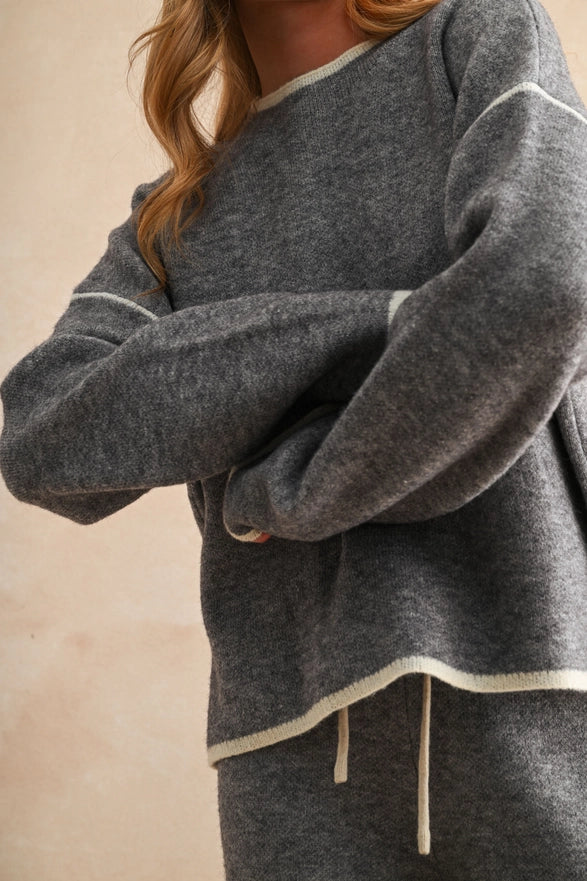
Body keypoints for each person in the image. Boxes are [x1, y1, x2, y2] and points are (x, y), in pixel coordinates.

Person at [1, 0, 586, 876]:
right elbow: (40, 434)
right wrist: (381, 325)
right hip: (292, 757)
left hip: (532, 685)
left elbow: (544, 283)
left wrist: (304, 486)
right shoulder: (177, 215)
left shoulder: (478, 32)